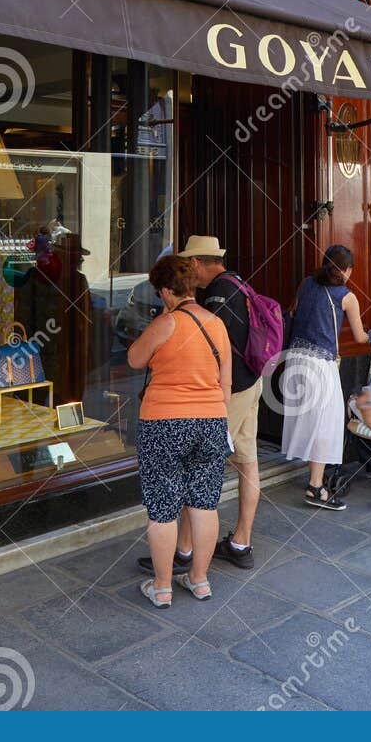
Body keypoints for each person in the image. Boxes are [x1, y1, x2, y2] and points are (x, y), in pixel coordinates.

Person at [127, 253, 232, 606]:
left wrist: (160, 320)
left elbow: (134, 359)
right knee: (204, 504)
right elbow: (226, 383)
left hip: (164, 423)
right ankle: (199, 580)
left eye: (160, 292)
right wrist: (219, 418)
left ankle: (161, 587)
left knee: (162, 507)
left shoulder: (165, 323)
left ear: (168, 290)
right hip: (212, 420)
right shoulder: (217, 324)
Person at [179, 235, 261, 570]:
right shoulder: (239, 283)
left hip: (228, 392)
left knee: (199, 464)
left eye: (188, 266)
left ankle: (184, 552)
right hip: (252, 384)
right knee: (247, 461)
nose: (188, 274)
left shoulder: (216, 294)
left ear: (198, 262)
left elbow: (209, 349)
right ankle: (240, 542)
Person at [283, 244, 369, 510]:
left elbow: (295, 312)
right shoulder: (347, 296)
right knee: (326, 424)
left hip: (296, 358)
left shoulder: (306, 283)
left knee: (309, 419)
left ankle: (314, 477)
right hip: (321, 364)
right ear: (347, 270)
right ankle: (315, 487)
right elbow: (360, 337)